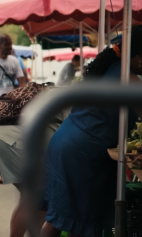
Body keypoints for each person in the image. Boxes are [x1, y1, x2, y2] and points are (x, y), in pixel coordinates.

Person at [41, 26, 142, 237]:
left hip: (69, 142)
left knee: (66, 217)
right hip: (81, 152)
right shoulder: (127, 78)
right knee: (67, 217)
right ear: (139, 57)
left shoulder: (110, 67)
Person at [0, 107, 70, 237]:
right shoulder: (78, 105)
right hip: (10, 137)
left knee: (34, 196)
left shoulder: (60, 96)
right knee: (38, 196)